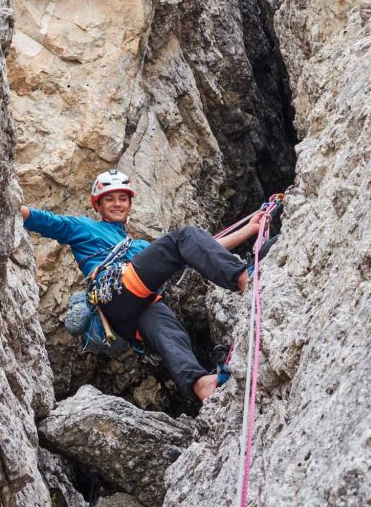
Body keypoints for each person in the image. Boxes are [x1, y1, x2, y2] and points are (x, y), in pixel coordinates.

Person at [21, 169, 264, 402]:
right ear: (98, 206)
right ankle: (244, 280)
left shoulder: (137, 247)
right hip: (115, 290)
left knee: (169, 331)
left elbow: (202, 248)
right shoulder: (83, 227)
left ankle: (201, 384)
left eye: (122, 199)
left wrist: (250, 229)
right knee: (183, 236)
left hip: (128, 313)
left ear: (129, 204)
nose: (117, 204)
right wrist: (16, 209)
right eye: (110, 199)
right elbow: (49, 223)